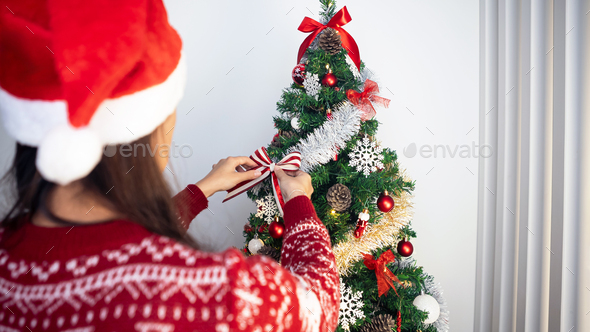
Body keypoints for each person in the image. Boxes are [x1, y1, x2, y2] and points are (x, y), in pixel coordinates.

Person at [0, 0, 340, 331]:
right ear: (146, 129)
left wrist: (201, 191)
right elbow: (318, 305)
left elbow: (115, 254)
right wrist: (299, 201)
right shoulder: (219, 299)